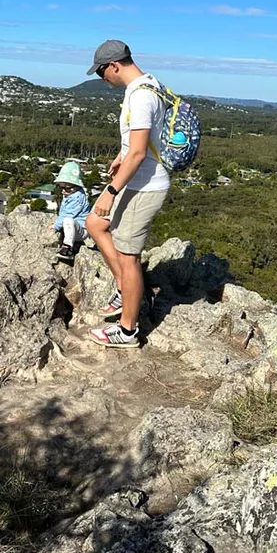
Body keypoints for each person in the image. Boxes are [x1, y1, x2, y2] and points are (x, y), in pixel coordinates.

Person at [85, 40, 170, 348]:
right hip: (135, 179)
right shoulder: (149, 87)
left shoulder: (141, 96)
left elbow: (138, 154)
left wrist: (110, 190)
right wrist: (122, 155)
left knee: (128, 256)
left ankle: (128, 330)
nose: (101, 78)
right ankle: (125, 287)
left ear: (114, 66)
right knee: (95, 224)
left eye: (101, 72)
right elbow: (140, 145)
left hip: (143, 185)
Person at [48, 161, 92, 264]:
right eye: (61, 187)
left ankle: (67, 248)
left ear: (76, 186)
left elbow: (68, 214)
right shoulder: (71, 194)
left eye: (67, 188)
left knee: (68, 220)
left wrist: (56, 227)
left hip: (81, 230)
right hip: (74, 228)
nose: (63, 191)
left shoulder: (77, 197)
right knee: (67, 221)